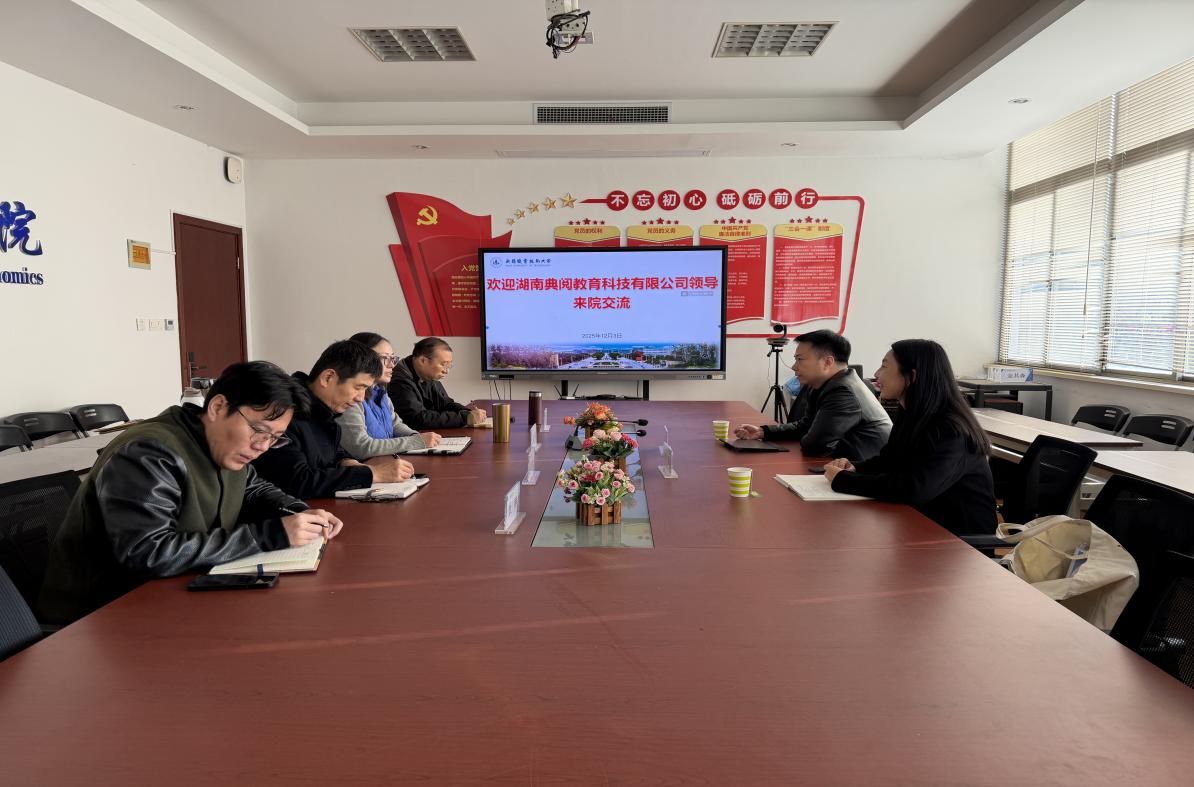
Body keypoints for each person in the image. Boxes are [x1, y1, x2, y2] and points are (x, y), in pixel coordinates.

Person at [38, 361, 343, 625]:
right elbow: (148, 553)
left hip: (171, 597)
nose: (262, 446)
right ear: (218, 407)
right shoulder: (149, 453)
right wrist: (270, 535)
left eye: (275, 438)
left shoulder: (221, 445)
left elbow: (253, 488)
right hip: (100, 617)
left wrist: (298, 511)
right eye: (259, 431)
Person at [823, 339, 997, 536]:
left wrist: (844, 480)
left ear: (912, 376)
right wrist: (854, 467)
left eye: (884, 366)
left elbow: (915, 489)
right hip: (918, 523)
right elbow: (888, 460)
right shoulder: (911, 413)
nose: (877, 373)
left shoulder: (950, 429)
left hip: (959, 541)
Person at [253, 340, 414, 498]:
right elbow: (298, 481)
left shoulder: (324, 408)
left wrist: (346, 461)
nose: (361, 398)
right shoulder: (285, 412)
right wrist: (372, 474)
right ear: (328, 377)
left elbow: (332, 450)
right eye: (358, 387)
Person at [735, 330, 891, 461]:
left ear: (827, 362)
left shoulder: (843, 391)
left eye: (800, 359)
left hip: (868, 472)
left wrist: (807, 436)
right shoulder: (821, 384)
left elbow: (815, 445)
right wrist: (763, 432)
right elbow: (805, 426)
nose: (794, 367)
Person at [338, 331, 442, 459]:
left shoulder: (381, 392)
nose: (392, 364)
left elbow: (395, 425)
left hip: (387, 461)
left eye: (393, 358)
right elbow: (361, 447)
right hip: (367, 467)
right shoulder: (351, 398)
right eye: (385, 358)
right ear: (363, 359)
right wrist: (416, 442)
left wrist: (415, 436)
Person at [388, 337, 487, 429]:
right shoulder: (399, 381)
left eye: (449, 366)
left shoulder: (427, 375)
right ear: (423, 361)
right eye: (443, 364)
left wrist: (469, 413)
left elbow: (446, 404)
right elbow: (417, 419)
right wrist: (465, 418)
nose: (446, 371)